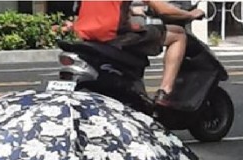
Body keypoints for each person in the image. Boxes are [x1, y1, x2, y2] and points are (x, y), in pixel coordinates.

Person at [71, 0, 205, 106]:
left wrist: (131, 10)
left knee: (139, 29)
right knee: (178, 34)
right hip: (114, 36)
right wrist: (190, 14)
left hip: (87, 36)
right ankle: (165, 92)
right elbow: (163, 9)